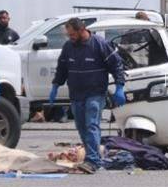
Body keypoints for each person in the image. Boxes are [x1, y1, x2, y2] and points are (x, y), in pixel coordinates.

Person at [49, 18, 126, 173]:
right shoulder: (68, 47)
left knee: (91, 125)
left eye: (72, 34)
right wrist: (55, 86)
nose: (70, 37)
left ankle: (92, 160)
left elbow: (117, 65)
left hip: (95, 93)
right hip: (76, 94)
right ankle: (94, 155)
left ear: (81, 30)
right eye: (68, 35)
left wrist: (119, 88)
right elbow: (62, 68)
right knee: (81, 126)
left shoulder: (99, 44)